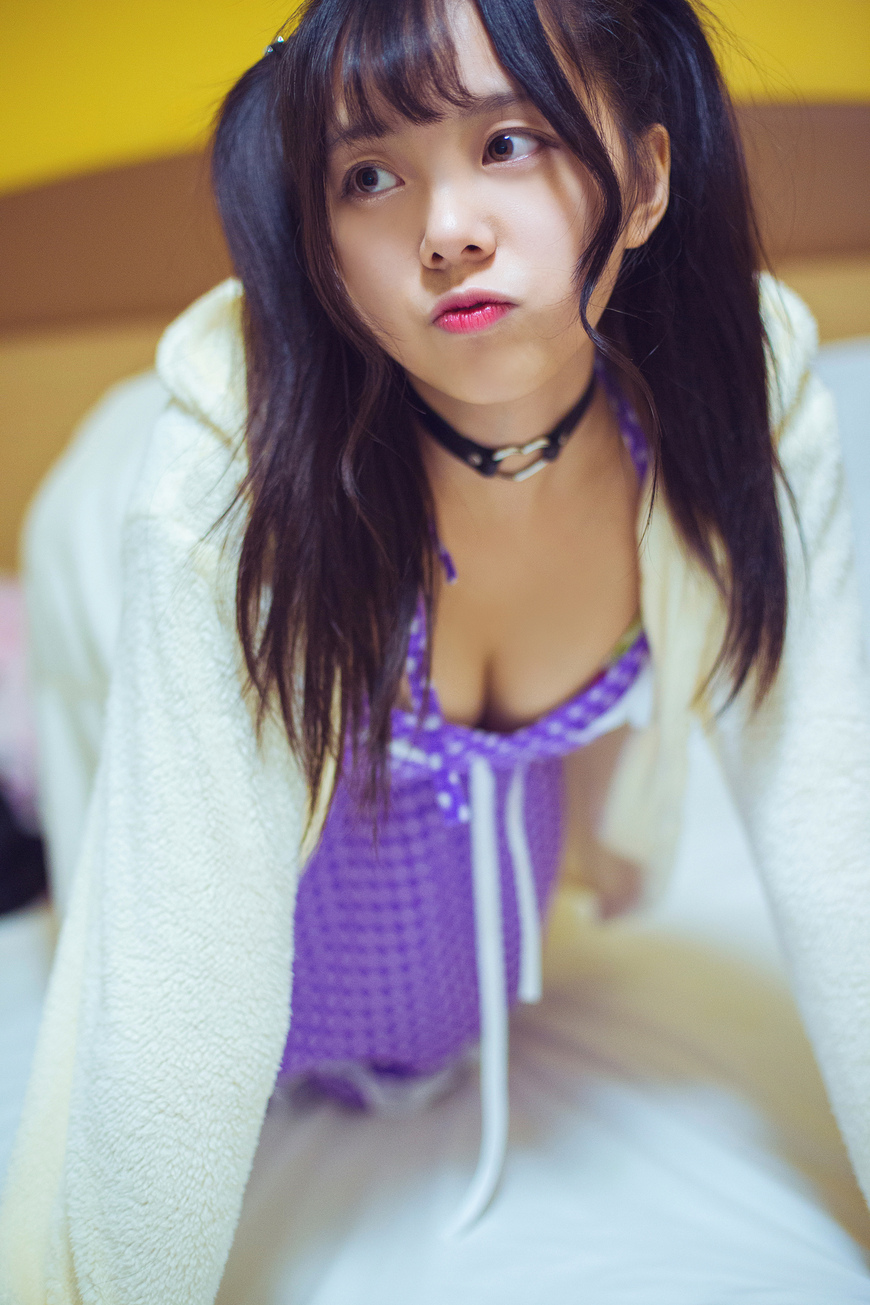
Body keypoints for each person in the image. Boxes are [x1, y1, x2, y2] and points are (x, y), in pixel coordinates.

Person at [2, 0, 870, 1300]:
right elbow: (174, 980)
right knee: (109, 854)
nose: (446, 228)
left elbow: (836, 838)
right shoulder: (218, 490)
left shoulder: (744, 399)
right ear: (321, 245)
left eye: (510, 141)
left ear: (644, 180)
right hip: (108, 533)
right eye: (368, 176)